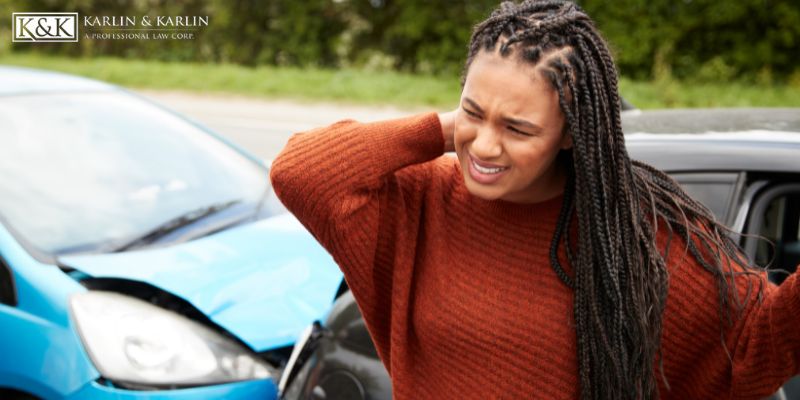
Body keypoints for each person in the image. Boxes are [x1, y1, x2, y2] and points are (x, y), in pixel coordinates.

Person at [270, 1, 800, 399]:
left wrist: (484, 115)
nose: (486, 146)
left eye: (519, 129)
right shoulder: (421, 198)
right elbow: (301, 172)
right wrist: (450, 128)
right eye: (472, 112)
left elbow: (759, 344)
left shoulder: (635, 235)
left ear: (572, 133)